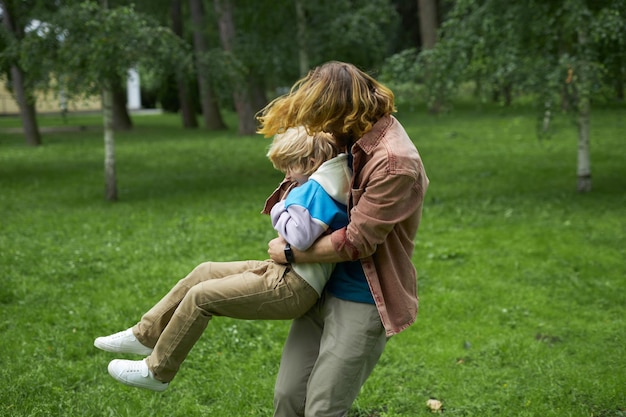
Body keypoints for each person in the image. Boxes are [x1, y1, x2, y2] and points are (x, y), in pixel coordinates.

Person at [94, 127, 352, 392]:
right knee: (204, 271)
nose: (286, 174)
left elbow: (300, 237)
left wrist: (280, 208)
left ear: (310, 162)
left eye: (289, 167)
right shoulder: (322, 180)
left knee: (201, 296)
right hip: (284, 271)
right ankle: (146, 334)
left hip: (294, 285)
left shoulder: (318, 190)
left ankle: (157, 371)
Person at [256, 61, 429, 417]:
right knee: (289, 399)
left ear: (346, 111)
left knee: (323, 409)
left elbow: (357, 242)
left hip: (361, 297)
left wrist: (289, 252)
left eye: (325, 118)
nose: (321, 128)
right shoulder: (346, 137)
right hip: (320, 286)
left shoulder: (394, 161)